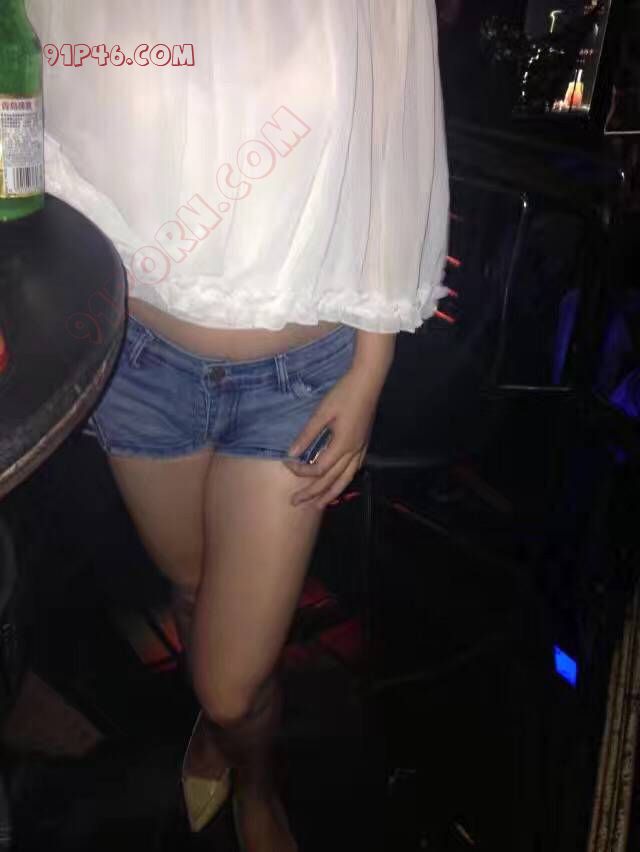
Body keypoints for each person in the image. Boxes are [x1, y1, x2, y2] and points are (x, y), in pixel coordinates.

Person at [26, 1, 450, 849]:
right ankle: (232, 742)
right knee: (192, 593)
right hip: (138, 360)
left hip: (300, 378)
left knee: (228, 682)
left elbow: (393, 133)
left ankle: (252, 773)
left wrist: (371, 369)